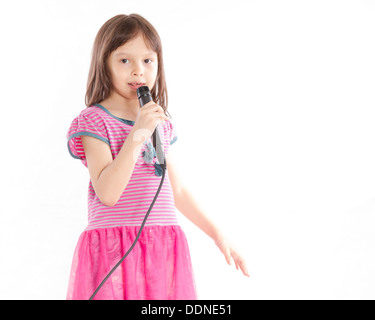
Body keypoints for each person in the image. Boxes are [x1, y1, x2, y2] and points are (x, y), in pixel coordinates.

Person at [66, 13, 249, 300]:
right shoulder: (94, 121)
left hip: (161, 246)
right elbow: (108, 192)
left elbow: (176, 189)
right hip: (115, 248)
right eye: (125, 60)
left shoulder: (157, 122)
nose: (138, 71)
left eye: (147, 61)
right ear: (105, 64)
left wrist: (218, 234)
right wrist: (138, 132)